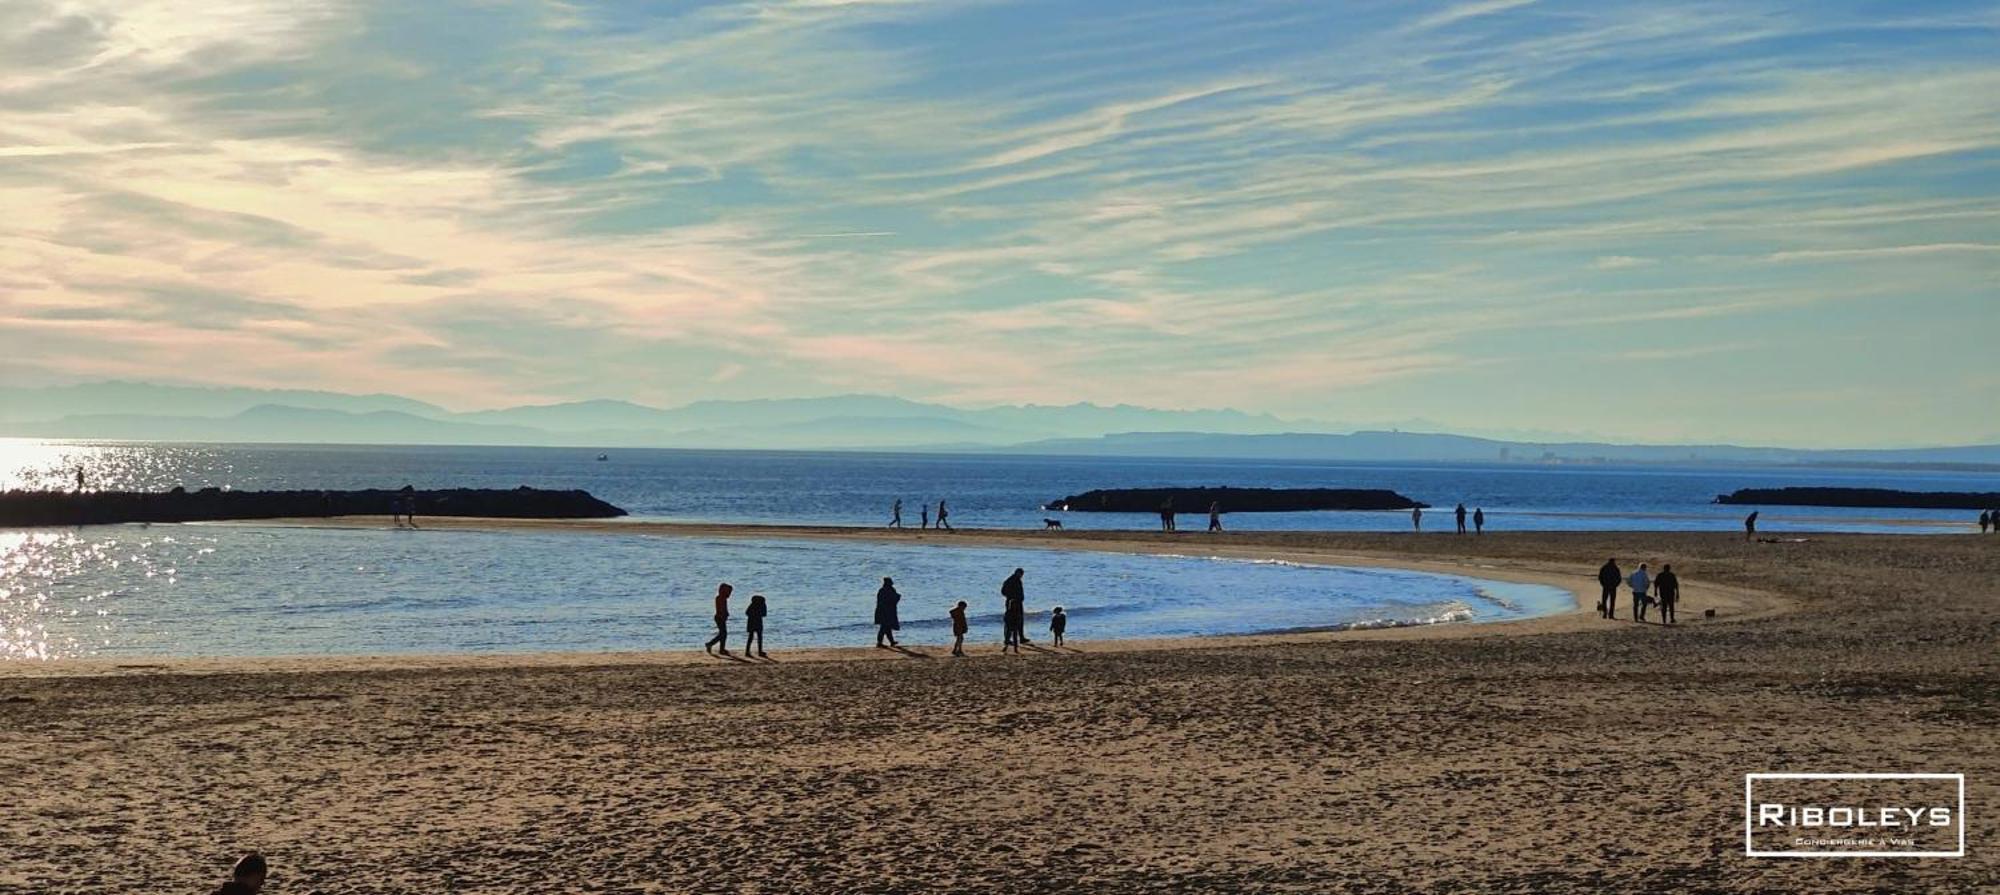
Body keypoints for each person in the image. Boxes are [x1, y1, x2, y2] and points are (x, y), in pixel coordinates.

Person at [1001, 568, 1027, 653]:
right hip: (1011, 602)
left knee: (1019, 619)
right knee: (1009, 620)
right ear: (1017, 573)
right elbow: (1003, 591)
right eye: (1020, 574)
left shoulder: (1018, 580)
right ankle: (1007, 639)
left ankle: (1021, 637)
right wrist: (1012, 597)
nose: (1021, 576)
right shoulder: (1010, 580)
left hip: (1018, 602)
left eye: (1022, 575)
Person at [703, 583, 734, 655]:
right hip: (719, 617)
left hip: (721, 617)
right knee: (723, 634)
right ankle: (710, 644)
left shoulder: (723, 598)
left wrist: (726, 614)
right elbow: (721, 609)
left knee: (723, 634)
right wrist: (723, 615)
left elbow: (724, 608)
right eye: (728, 591)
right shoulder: (720, 598)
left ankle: (721, 649)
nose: (729, 593)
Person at [874, 577, 901, 648]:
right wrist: (897, 597)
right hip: (884, 611)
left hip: (886, 611)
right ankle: (879, 642)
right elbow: (890, 600)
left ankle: (891, 642)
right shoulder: (885, 590)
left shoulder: (883, 590)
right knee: (884, 627)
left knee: (887, 627)